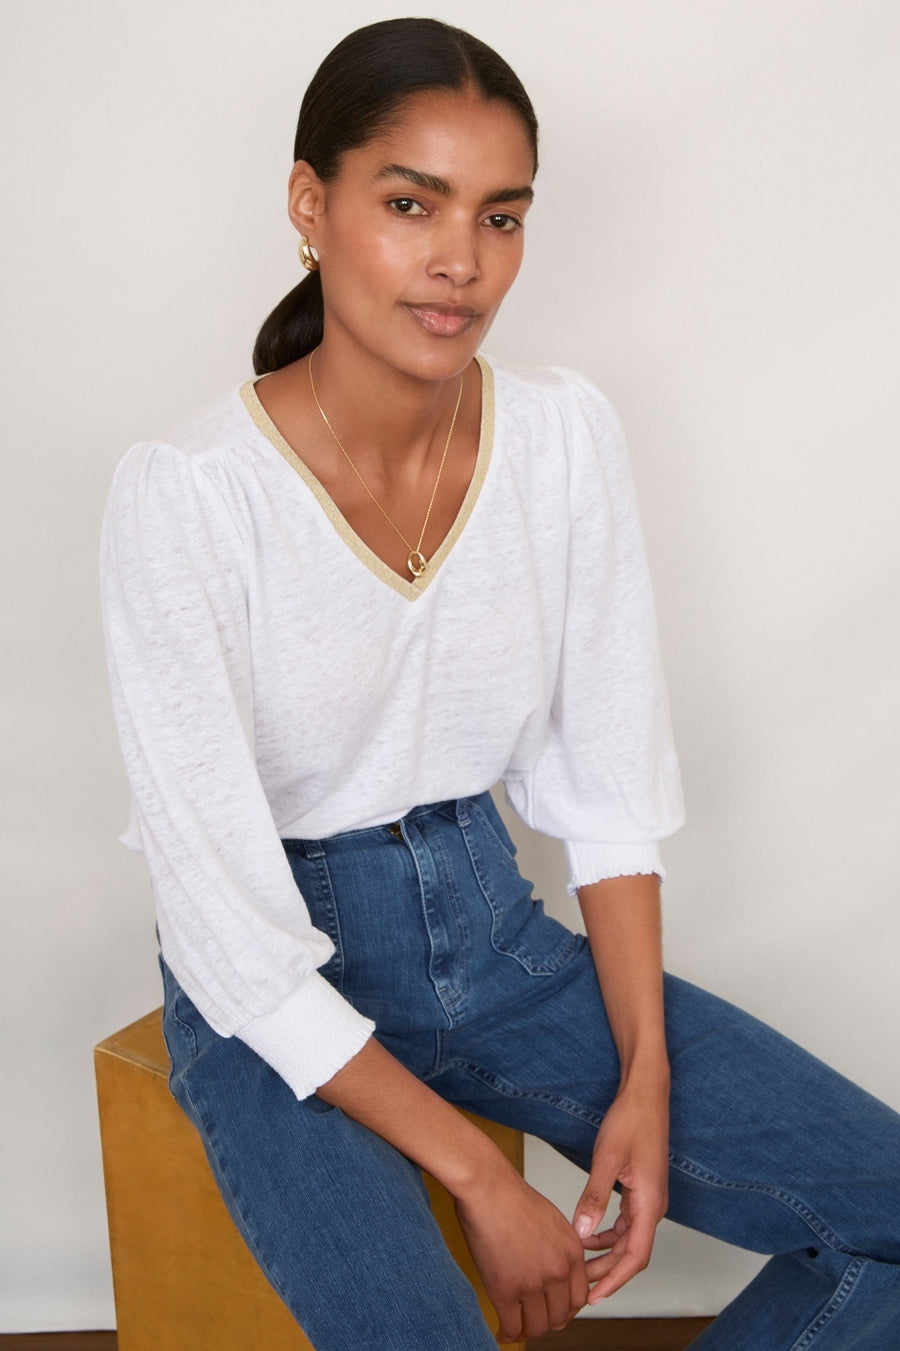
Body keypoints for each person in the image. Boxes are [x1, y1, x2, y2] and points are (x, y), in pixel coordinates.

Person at [101, 17, 900, 1350]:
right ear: (310, 206)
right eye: (410, 204)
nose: (462, 262)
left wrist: (644, 1080)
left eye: (502, 216)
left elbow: (606, 788)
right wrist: (480, 1178)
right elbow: (230, 938)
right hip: (272, 994)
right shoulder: (189, 497)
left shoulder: (561, 437)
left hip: (492, 940)